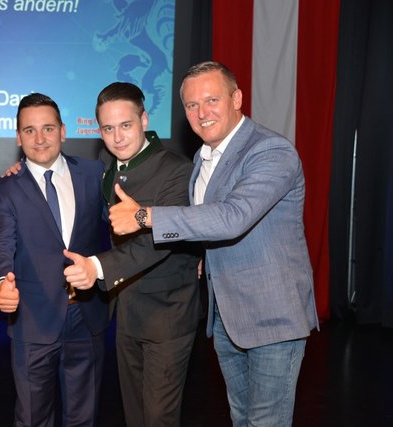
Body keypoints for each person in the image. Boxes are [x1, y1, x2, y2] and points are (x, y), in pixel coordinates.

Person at [109, 61, 319, 427]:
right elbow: (210, 228)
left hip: (273, 318)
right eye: (191, 105)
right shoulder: (202, 159)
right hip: (226, 317)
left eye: (211, 100)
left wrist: (146, 216)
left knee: (266, 423)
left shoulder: (271, 152)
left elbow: (233, 216)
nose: (201, 112)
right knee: (241, 419)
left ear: (236, 98)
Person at [62, 82, 201, 426]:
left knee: (158, 418)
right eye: (108, 128)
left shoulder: (176, 170)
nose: (117, 137)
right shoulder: (108, 161)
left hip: (168, 313)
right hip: (127, 313)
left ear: (144, 119)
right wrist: (22, 169)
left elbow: (158, 243)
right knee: (134, 415)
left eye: (126, 125)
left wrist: (97, 267)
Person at [0, 93, 110, 427]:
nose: (39, 139)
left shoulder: (94, 173)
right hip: (33, 319)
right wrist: (1, 283)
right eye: (29, 131)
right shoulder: (6, 190)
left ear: (63, 131)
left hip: (87, 315)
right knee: (32, 419)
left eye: (48, 128)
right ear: (18, 137)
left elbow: (116, 226)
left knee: (84, 417)